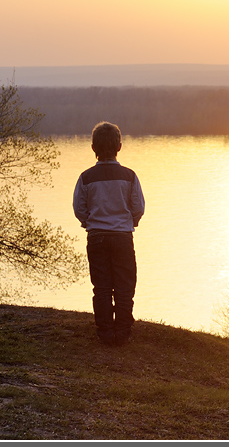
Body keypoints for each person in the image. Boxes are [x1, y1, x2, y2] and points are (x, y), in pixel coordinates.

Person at [73, 121, 146, 346]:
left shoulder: (86, 177)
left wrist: (90, 223)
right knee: (125, 285)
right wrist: (129, 221)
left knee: (102, 285)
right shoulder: (129, 176)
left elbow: (79, 208)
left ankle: (104, 332)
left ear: (93, 148)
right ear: (119, 147)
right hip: (123, 237)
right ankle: (123, 331)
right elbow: (139, 207)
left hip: (97, 237)